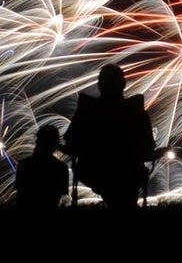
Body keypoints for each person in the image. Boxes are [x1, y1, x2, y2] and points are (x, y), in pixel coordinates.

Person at [64, 64, 155, 209]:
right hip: (129, 173)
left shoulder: (88, 110)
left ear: (100, 85)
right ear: (123, 84)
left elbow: (71, 141)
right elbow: (149, 147)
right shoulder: (135, 111)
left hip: (94, 171)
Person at [15, 125, 69, 211]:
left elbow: (20, 194)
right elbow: (62, 197)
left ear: (37, 141)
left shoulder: (24, 165)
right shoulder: (61, 168)